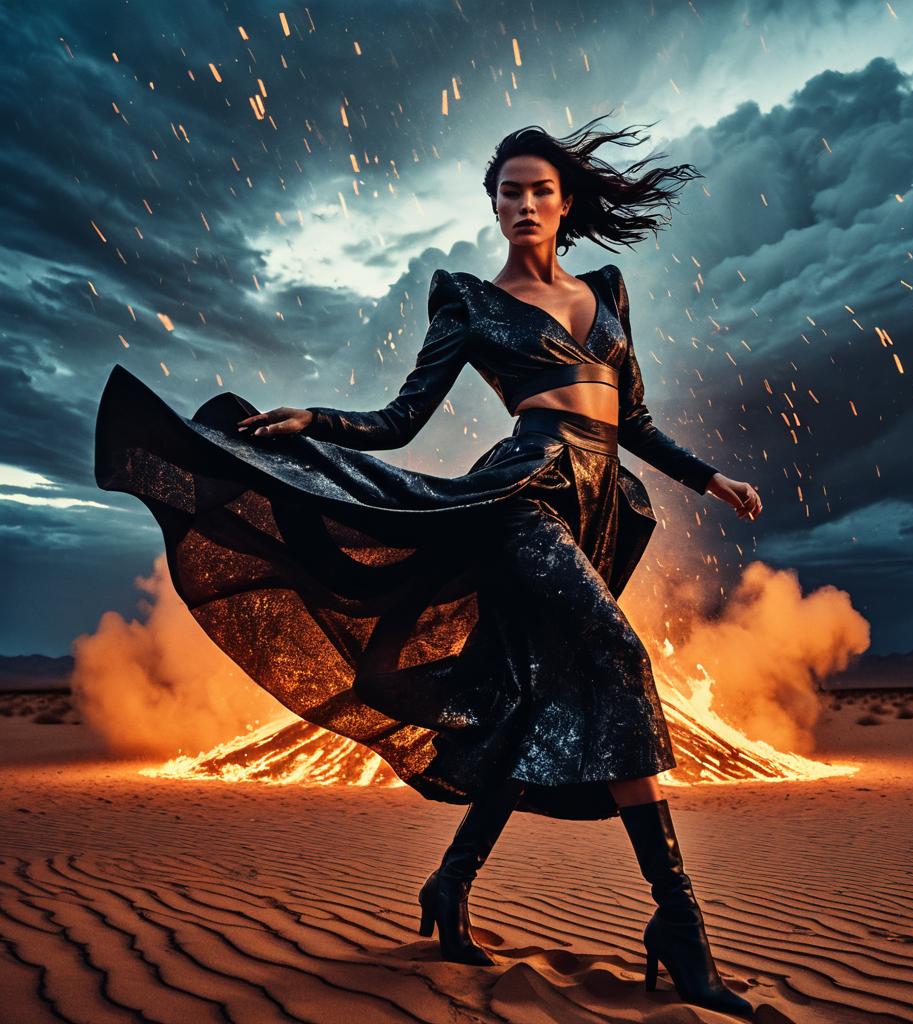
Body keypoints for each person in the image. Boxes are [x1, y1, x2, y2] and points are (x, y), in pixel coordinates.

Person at [94, 114, 762, 1019]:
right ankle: (679, 927)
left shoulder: (607, 291)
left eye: (539, 191)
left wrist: (708, 477)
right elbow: (400, 419)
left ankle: (449, 885)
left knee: (533, 707)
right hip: (527, 495)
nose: (523, 204)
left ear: (565, 206)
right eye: (508, 192)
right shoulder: (467, 302)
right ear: (493, 208)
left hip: (601, 505)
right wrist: (317, 421)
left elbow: (630, 422)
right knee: (617, 656)